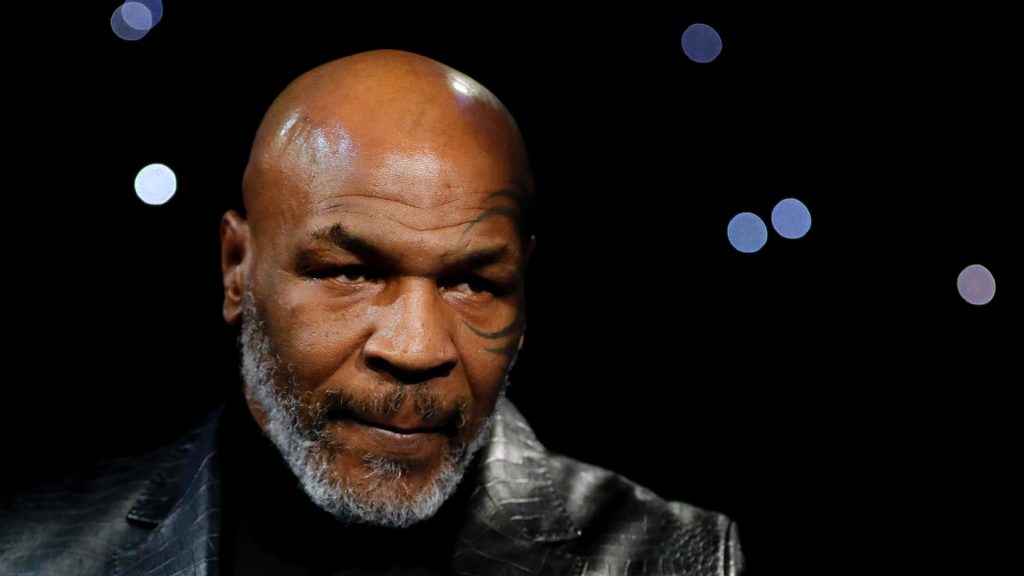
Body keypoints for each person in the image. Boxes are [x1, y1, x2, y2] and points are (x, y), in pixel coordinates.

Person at [1, 50, 744, 575]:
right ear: (236, 269)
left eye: (474, 283)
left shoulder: (680, 559)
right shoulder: (29, 551)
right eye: (350, 273)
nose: (417, 349)